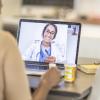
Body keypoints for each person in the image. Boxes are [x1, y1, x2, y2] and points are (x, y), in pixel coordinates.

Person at [0, 0, 61, 100]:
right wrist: (46, 83)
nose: (49, 34)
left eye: (52, 33)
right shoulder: (7, 42)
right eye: (47, 31)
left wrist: (56, 61)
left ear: (54, 36)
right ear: (43, 33)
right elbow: (23, 58)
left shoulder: (56, 49)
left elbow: (62, 63)